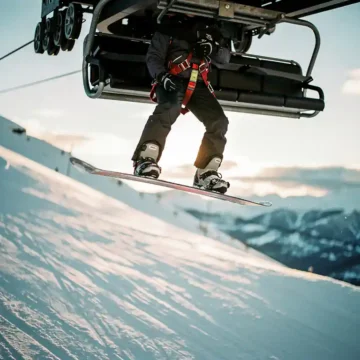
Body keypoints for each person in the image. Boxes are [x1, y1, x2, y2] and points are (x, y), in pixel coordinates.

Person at [131, 13, 231, 194]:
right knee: (170, 107)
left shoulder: (210, 31)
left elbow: (224, 58)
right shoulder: (169, 27)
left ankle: (206, 172)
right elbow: (154, 57)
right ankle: (145, 159)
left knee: (219, 121)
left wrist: (212, 49)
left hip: (198, 84)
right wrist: (162, 76)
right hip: (172, 79)